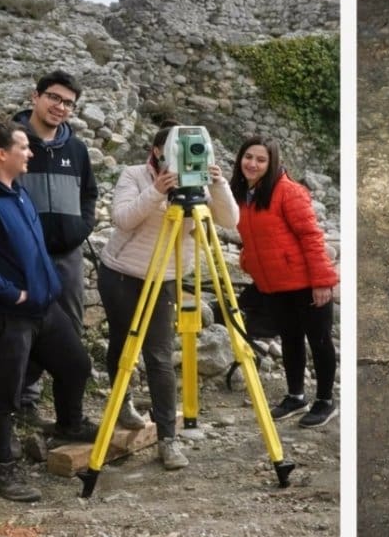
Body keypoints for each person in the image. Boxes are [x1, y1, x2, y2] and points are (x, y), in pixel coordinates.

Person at [0, 122, 98, 502]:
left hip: (41, 306)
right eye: (23, 147)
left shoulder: (16, 191)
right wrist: (11, 293)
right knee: (4, 394)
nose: (31, 153)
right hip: (2, 312)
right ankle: (2, 469)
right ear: (1, 154)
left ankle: (69, 425)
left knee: (76, 365)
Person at [98, 121, 239, 470]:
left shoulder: (200, 181)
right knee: (122, 342)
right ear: (158, 151)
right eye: (176, 147)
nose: (185, 154)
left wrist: (217, 183)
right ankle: (123, 402)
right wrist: (157, 191)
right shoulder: (134, 175)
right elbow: (122, 218)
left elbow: (229, 220)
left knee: (159, 355)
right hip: (122, 274)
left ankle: (167, 439)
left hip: (164, 278)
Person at [230, 136, 339, 428]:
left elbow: (311, 237)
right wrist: (248, 261)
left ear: (272, 162)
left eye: (261, 159)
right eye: (248, 157)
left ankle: (326, 401)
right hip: (274, 284)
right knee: (290, 339)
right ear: (240, 159)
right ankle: (296, 396)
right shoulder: (243, 194)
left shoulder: (289, 192)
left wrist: (322, 281)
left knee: (319, 340)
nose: (253, 164)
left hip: (305, 282)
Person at [12, 70, 98, 423]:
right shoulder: (11, 142)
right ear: (36, 96)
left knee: (70, 330)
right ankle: (23, 403)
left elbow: (89, 195)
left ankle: (69, 417)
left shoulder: (76, 149)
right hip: (22, 259)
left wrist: (81, 228)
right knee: (24, 329)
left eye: (68, 103)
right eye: (54, 98)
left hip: (67, 256)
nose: (60, 107)